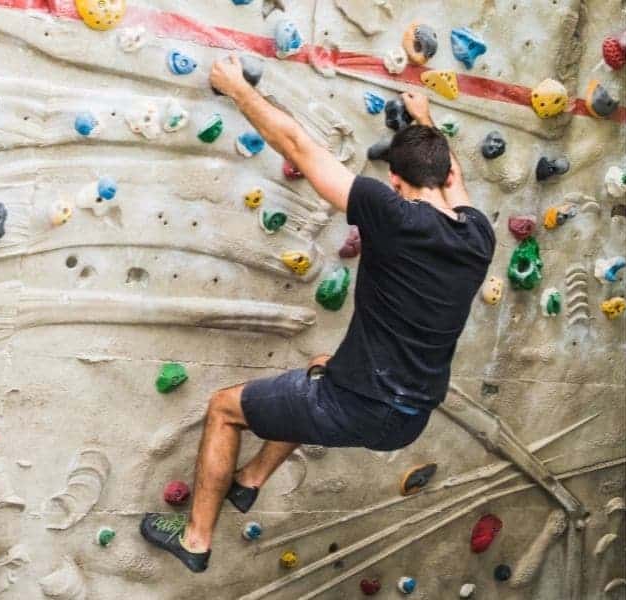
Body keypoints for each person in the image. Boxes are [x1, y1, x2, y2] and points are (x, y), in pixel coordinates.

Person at [140, 55, 495, 573]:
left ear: (395, 182)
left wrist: (236, 88)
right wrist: (425, 121)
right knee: (323, 371)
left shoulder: (389, 212)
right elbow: (452, 174)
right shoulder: (477, 234)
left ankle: (195, 540)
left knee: (224, 409)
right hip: (409, 417)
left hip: (361, 406)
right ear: (441, 178)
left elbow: (300, 147)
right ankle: (251, 480)